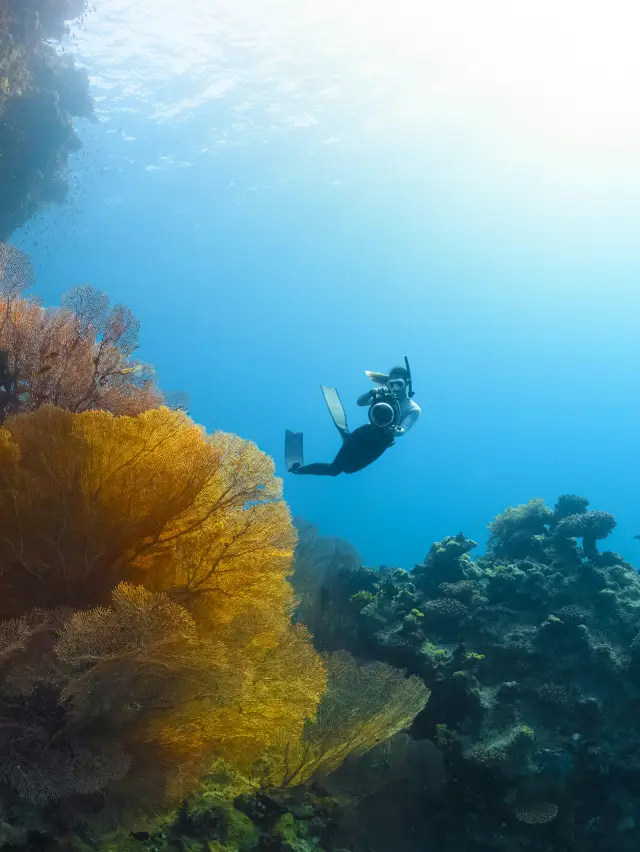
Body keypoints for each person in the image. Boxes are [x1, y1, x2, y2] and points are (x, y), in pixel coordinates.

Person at [285, 362, 420, 477]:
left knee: (349, 470)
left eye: (399, 384)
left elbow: (403, 429)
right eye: (391, 384)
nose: (394, 388)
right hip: (366, 432)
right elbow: (360, 403)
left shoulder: (413, 408)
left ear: (407, 383)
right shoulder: (383, 394)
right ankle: (298, 470)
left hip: (381, 442)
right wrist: (371, 393)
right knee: (334, 470)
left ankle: (346, 436)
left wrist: (394, 431)